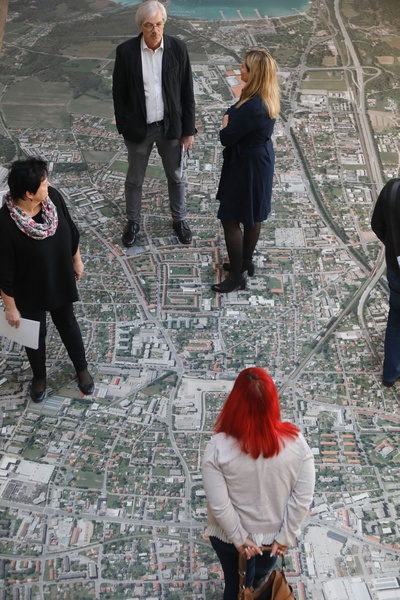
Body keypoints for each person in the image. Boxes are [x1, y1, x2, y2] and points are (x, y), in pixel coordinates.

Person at [202, 367, 315, 599]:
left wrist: (240, 539)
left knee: (235, 586)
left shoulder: (217, 447)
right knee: (258, 579)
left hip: (228, 538)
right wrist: (285, 537)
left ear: (235, 402)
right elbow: (302, 499)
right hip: (271, 539)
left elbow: (219, 505)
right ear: (273, 402)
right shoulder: (297, 444)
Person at [0, 157, 94, 402]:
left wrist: (77, 260)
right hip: (28, 289)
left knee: (68, 325)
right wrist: (11, 308)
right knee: (34, 336)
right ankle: (39, 377)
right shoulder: (5, 224)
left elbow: (71, 231)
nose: (49, 185)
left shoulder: (52, 198)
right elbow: (4, 271)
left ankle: (81, 368)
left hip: (58, 278)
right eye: (43, 183)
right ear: (29, 194)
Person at [112, 0, 196, 248]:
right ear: (140, 25)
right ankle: (133, 222)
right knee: (134, 179)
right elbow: (119, 93)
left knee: (176, 176)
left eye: (159, 24)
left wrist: (188, 131)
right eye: (149, 25)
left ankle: (179, 220)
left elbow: (187, 92)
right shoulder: (126, 52)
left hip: (171, 128)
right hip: (140, 129)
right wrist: (124, 125)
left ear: (164, 23)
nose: (155, 30)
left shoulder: (178, 49)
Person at [212, 48, 280, 294]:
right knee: (252, 216)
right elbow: (233, 110)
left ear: (254, 73)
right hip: (259, 161)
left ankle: (236, 277)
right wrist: (231, 116)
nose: (240, 69)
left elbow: (226, 136)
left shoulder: (253, 107)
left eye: (244, 67)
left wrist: (225, 123)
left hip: (246, 165)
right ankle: (245, 261)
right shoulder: (264, 97)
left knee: (230, 219)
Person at [371, 178, 400, 386]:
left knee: (396, 320)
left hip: (396, 271)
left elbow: (377, 225)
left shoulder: (393, 189)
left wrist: (392, 249)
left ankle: (390, 373)